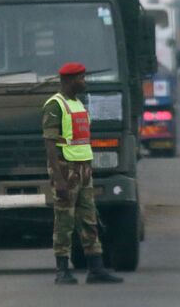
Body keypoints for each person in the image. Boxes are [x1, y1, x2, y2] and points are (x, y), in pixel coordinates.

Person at [42, 62, 123, 285]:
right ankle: (62, 270)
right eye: (81, 78)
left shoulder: (77, 104)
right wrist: (58, 178)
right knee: (64, 221)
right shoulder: (55, 106)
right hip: (66, 170)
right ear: (68, 81)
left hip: (83, 169)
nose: (84, 82)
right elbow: (50, 144)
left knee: (89, 219)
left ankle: (96, 268)